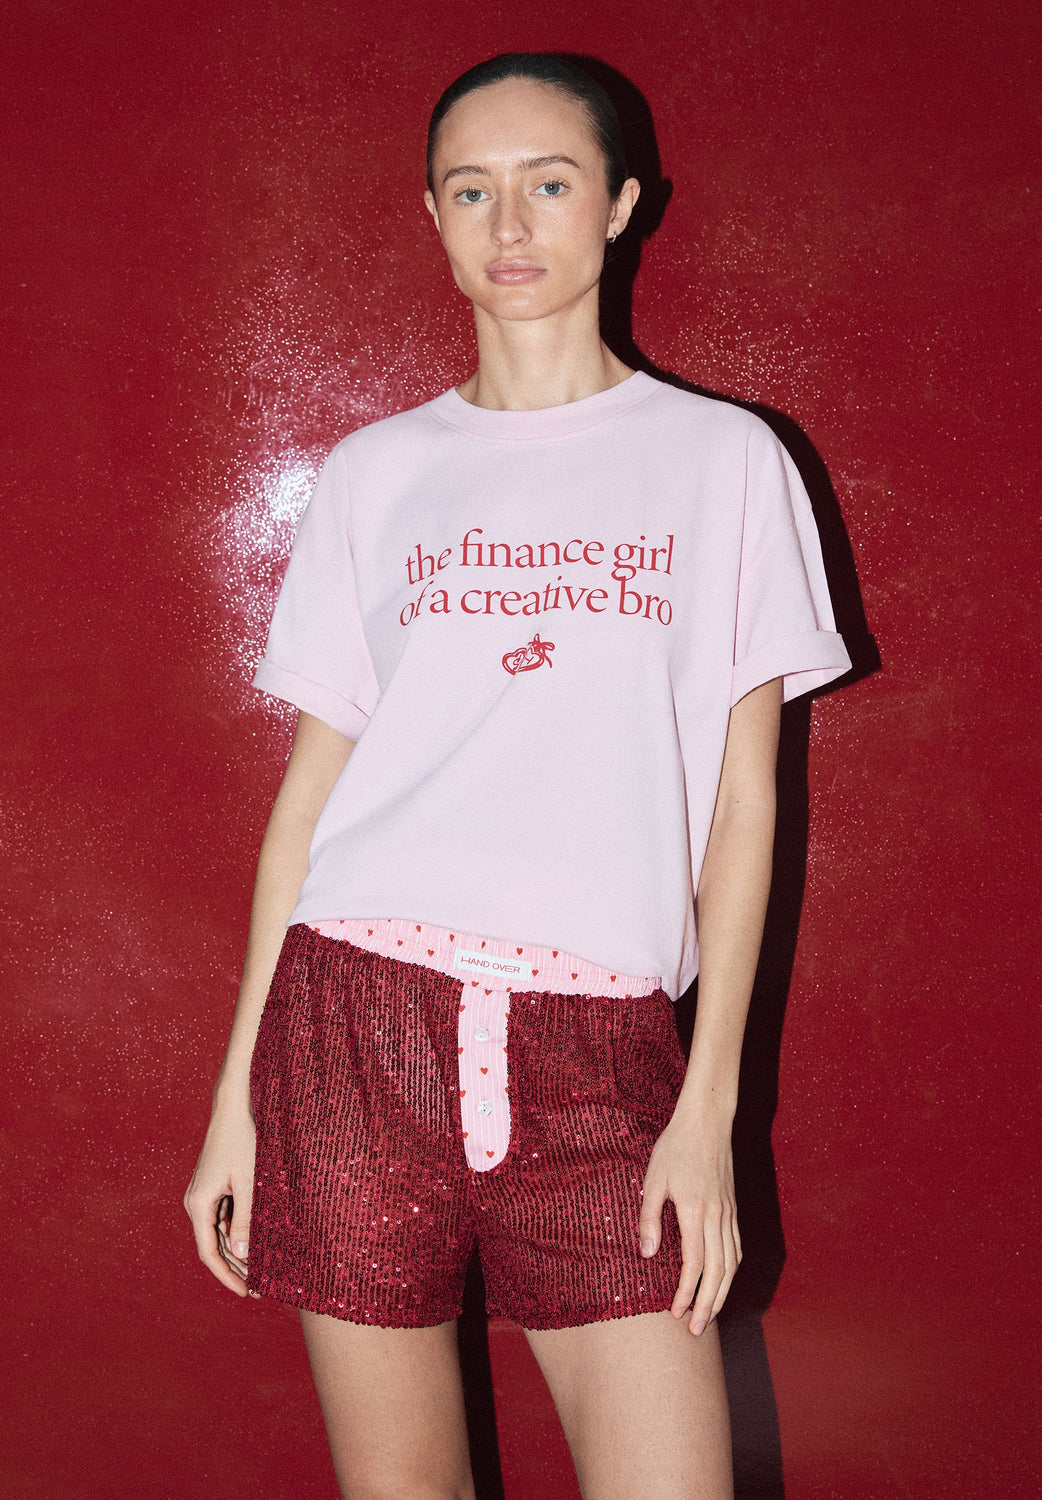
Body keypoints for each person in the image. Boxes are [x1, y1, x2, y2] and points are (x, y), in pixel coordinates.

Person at [185, 52, 850, 1500]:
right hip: (352, 1029)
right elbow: (307, 805)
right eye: (470, 189)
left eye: (549, 183)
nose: (509, 222)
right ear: (431, 215)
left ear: (619, 205)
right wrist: (236, 1097)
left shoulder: (724, 461)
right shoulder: (376, 473)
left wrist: (707, 1113)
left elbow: (746, 807)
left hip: (601, 1056)